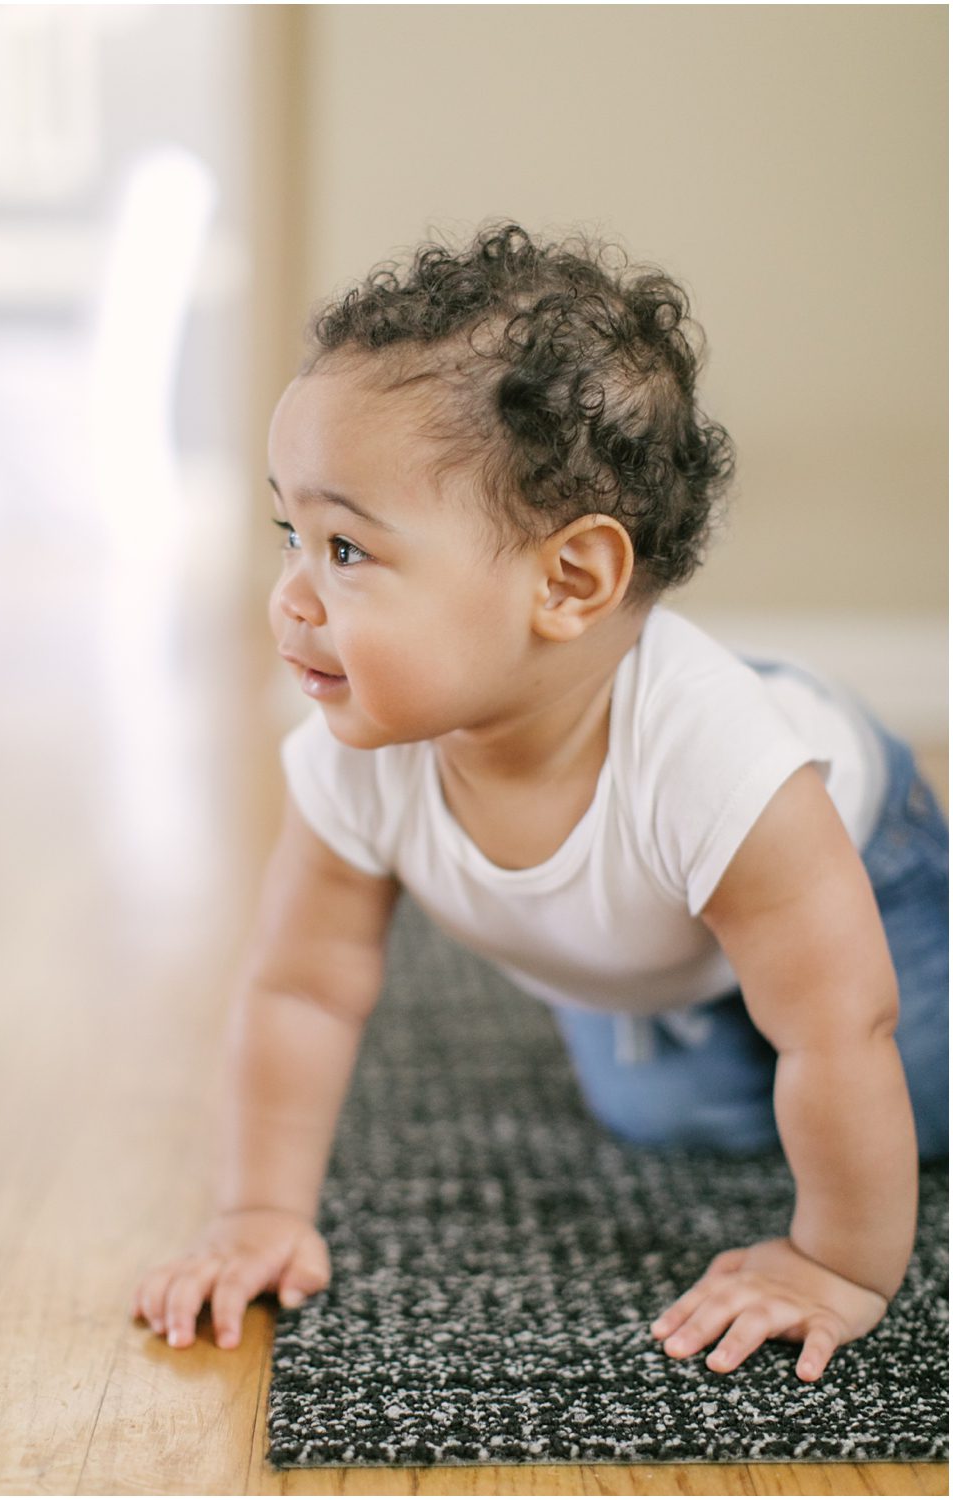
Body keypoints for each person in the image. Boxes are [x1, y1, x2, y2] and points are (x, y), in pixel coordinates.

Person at [130, 222, 946, 1384]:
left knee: (893, 1095)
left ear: (566, 581)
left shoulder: (721, 770)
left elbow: (835, 1029)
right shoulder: (357, 751)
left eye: (347, 550)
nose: (290, 598)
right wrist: (258, 1210)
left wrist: (835, 1265)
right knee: (669, 1117)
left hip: (871, 864)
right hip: (664, 929)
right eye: (289, 535)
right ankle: (654, 980)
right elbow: (299, 988)